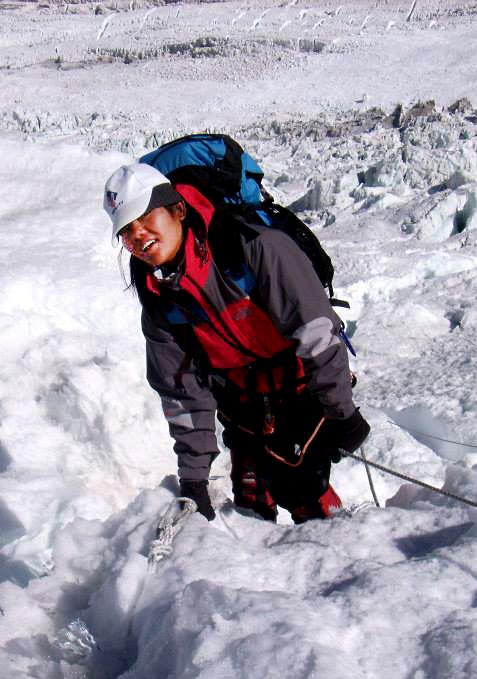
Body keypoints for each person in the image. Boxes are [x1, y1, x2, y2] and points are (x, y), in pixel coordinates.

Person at [103, 162, 369, 522]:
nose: (138, 235)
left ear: (178, 210)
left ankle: (344, 550)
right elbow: (182, 391)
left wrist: (342, 411)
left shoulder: (254, 249)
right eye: (126, 229)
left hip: (297, 390)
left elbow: (316, 331)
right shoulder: (159, 299)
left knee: (302, 490)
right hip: (240, 406)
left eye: (146, 217)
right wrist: (193, 479)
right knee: (250, 499)